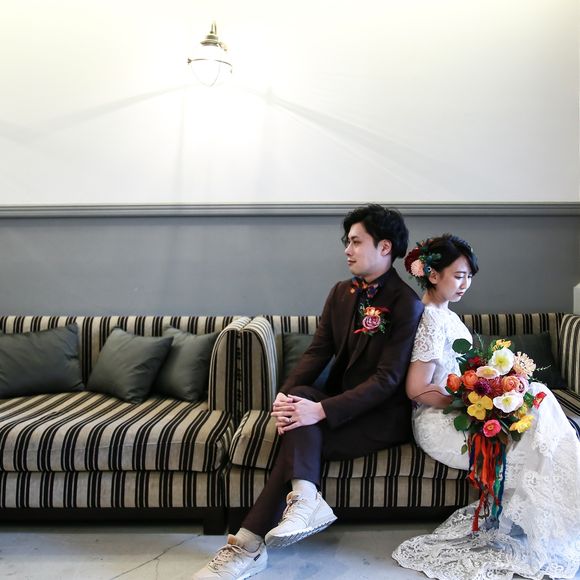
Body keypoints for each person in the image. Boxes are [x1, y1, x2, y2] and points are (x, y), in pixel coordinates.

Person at [193, 205, 424, 579]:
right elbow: (318, 351)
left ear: (385, 247)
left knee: (299, 435)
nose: (347, 249)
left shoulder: (406, 303)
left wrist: (320, 411)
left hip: (381, 417)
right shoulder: (341, 293)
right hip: (340, 403)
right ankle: (301, 499)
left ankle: (247, 545)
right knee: (300, 396)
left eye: (356, 241)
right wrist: (284, 396)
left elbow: (387, 380)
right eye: (346, 242)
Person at [392, 234, 580, 580]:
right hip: (439, 422)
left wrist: (492, 392)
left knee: (538, 400)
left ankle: (553, 517)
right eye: (458, 275)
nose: (466, 283)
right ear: (432, 274)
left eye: (469, 276)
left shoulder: (446, 314)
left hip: (463, 410)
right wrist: (470, 401)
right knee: (539, 405)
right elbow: (416, 389)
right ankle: (553, 520)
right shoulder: (430, 318)